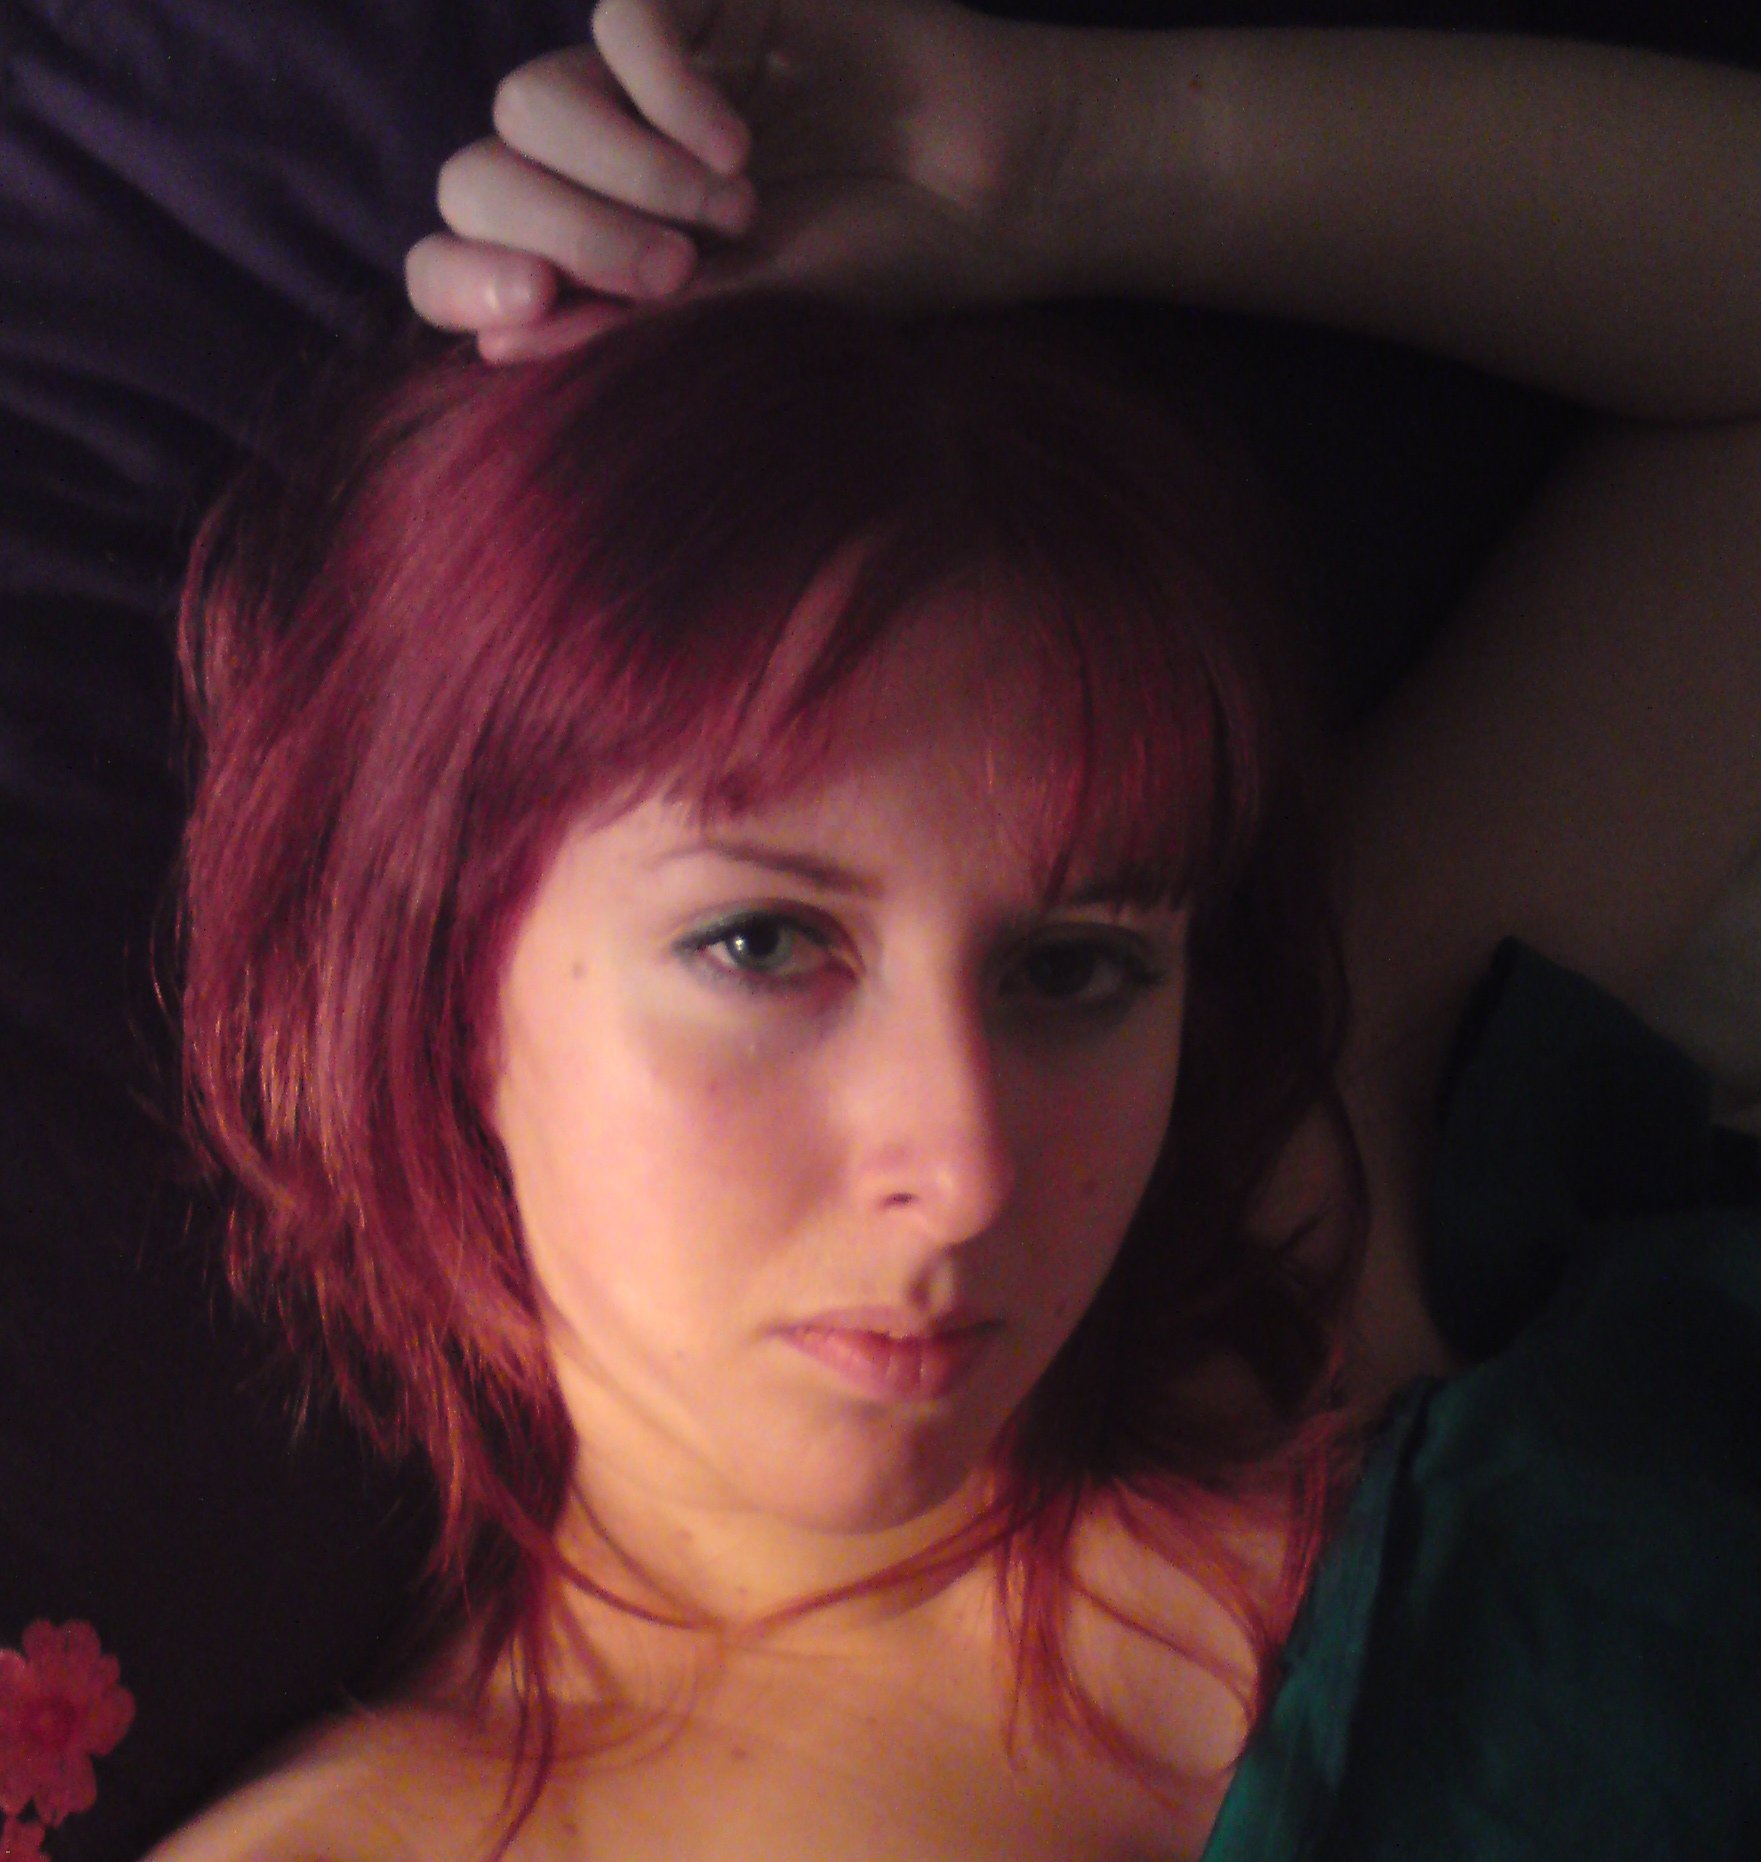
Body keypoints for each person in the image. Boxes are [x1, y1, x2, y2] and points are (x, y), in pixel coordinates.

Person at [147, 4, 1761, 1857]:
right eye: (761, 946)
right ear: (440, 985)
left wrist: (1061, 158)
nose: (970, 1164)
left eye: (1074, 968)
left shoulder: (1298, 1198)